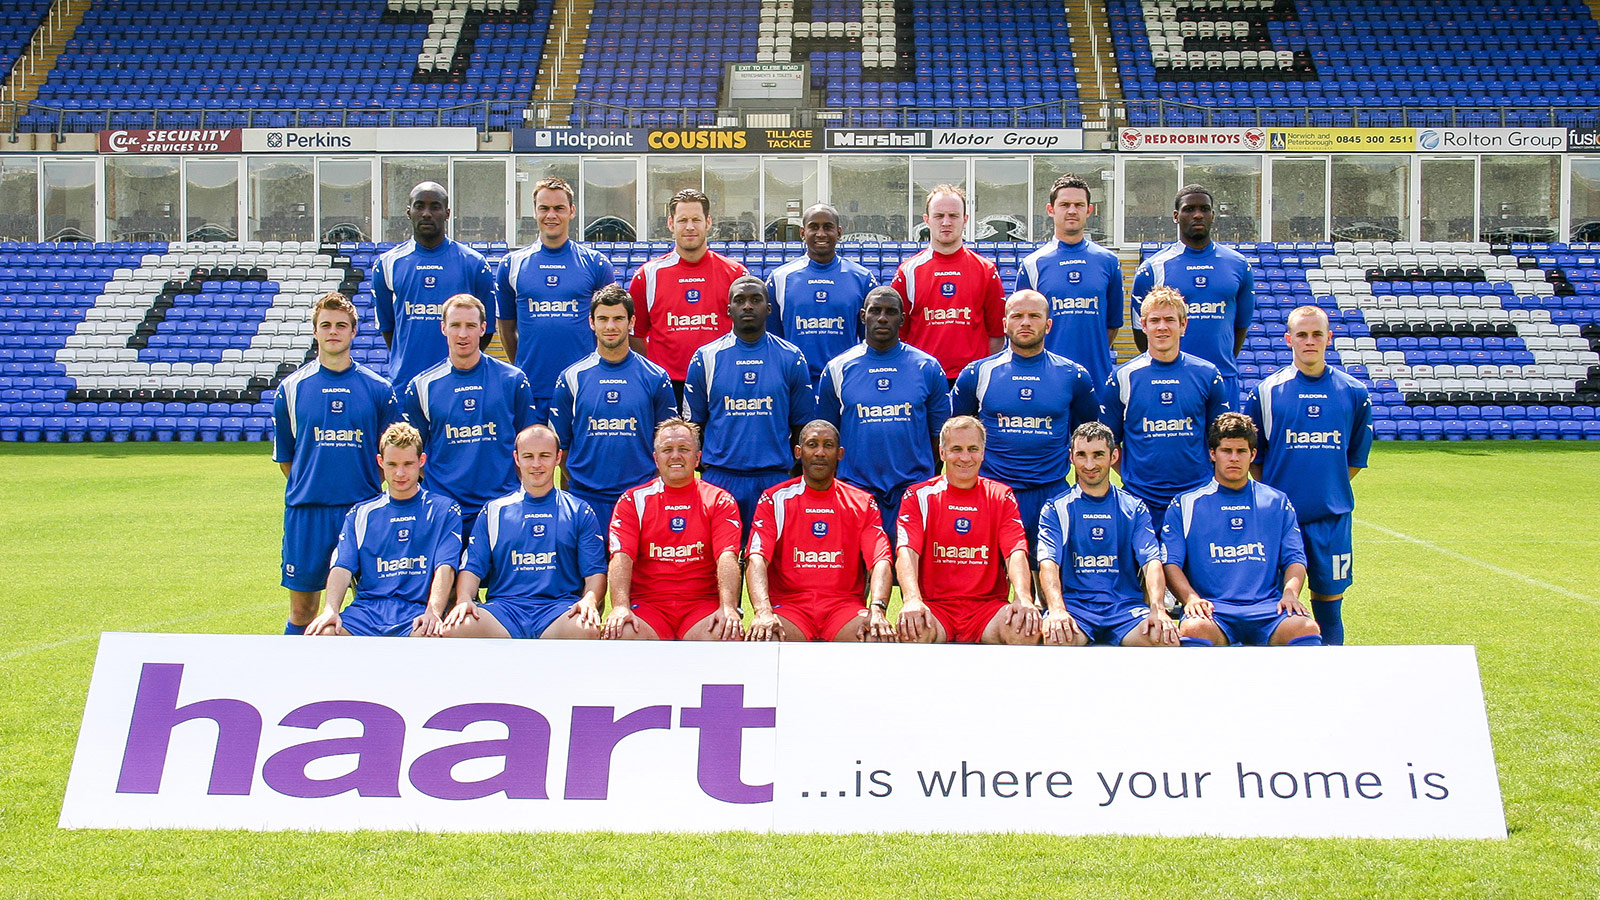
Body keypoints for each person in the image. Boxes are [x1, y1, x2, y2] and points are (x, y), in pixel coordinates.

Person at [1244, 305, 1373, 645]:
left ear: (1330, 338)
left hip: (1331, 519)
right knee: (1270, 608)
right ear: (1289, 340)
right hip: (1277, 523)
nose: (1310, 341)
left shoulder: (1354, 392)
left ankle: (1333, 681)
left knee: (1329, 607)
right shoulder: (1266, 392)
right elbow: (1254, 459)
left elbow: (1354, 459)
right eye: (1302, 334)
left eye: (1317, 334)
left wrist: (1325, 489)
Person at [272, 291, 400, 635]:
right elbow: (288, 461)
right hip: (308, 513)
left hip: (362, 512)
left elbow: (388, 458)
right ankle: (298, 681)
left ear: (354, 331)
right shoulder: (291, 389)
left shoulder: (379, 389)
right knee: (303, 610)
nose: (333, 331)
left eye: (341, 325)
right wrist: (317, 485)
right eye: (325, 325)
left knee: (374, 607)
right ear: (315, 331)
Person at [950, 289, 1100, 558]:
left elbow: (1087, 439)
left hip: (1051, 492)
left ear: (1048, 324)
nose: (1026, 322)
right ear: (1004, 324)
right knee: (988, 580)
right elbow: (954, 437)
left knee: (1050, 578)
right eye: (1017, 316)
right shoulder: (977, 373)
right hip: (994, 492)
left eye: (1034, 316)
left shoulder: (1073, 375)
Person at [1162, 412, 1322, 647]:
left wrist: (1290, 593)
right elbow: (1171, 563)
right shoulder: (1185, 504)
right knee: (1194, 627)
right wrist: (1190, 598)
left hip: (1268, 610)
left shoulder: (1276, 501)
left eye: (1241, 451)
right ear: (1213, 454)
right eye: (1227, 451)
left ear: (1253, 454)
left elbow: (1295, 558)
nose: (1234, 458)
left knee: (1305, 627)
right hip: (1213, 611)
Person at [443, 425, 607, 639]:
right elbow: (472, 568)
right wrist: (464, 598)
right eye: (528, 456)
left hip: (558, 610)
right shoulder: (494, 511)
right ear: (517, 458)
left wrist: (589, 600)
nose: (536, 464)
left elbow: (595, 572)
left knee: (586, 628)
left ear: (558, 458)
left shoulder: (579, 510)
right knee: (457, 627)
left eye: (544, 456)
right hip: (504, 611)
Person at [684, 275, 816, 540]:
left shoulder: (791, 357)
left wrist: (790, 471)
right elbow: (693, 425)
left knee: (774, 567)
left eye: (756, 300)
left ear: (768, 308)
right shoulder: (705, 357)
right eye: (740, 300)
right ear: (728, 308)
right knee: (719, 566)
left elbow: (802, 425)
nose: (747, 306)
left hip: (774, 479)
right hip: (720, 479)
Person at [815, 285, 951, 540]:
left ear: (902, 318)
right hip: (856, 490)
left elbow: (938, 438)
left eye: (890, 312)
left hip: (912, 490)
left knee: (913, 573)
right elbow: (827, 436)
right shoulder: (837, 368)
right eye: (875, 311)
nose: (882, 317)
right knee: (858, 574)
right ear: (863, 315)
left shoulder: (927, 367)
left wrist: (920, 477)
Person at [305, 423, 462, 637]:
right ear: (380, 462)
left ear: (421, 461)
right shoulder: (361, 513)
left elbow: (446, 567)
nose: (400, 473)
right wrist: (330, 610)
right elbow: (342, 566)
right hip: (366, 614)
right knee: (324, 634)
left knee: (428, 638)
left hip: (415, 613)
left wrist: (433, 612)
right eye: (392, 464)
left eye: (408, 464)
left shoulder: (445, 510)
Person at [894, 416, 1041, 645]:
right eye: (956, 449)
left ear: (983, 453)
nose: (965, 457)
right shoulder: (918, 496)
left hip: (987, 610)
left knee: (1024, 630)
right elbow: (907, 552)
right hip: (937, 608)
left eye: (972, 449)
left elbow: (1015, 551)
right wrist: (912, 599)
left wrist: (1023, 597)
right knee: (914, 631)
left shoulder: (1001, 496)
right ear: (942, 453)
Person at [745, 420, 896, 642]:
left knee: (877, 637)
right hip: (790, 608)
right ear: (798, 452)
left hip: (843, 609)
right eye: (812, 444)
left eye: (828, 445)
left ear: (840, 453)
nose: (820, 452)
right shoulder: (774, 498)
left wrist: (878, 609)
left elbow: (880, 560)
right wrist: (763, 611)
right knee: (765, 636)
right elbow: (756, 559)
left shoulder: (862, 502)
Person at [402, 294, 538, 539]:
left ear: (483, 328)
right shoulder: (421, 386)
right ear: (443, 328)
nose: (462, 334)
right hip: (444, 511)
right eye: (455, 325)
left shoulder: (512, 380)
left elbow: (527, 447)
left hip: (501, 508)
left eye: (470, 326)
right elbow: (415, 455)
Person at [1100, 286, 1231, 537]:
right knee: (1144, 574)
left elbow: (1220, 441)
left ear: (1183, 325)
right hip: (1141, 499)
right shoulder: (1123, 377)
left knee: (1193, 574)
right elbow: (1110, 444)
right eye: (1155, 320)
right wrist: (1135, 475)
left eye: (1170, 320)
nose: (1162, 327)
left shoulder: (1207, 374)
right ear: (1143, 325)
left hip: (1196, 496)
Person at [1035, 422, 1177, 647]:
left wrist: (1157, 609)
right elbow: (1048, 564)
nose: (1089, 464)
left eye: (1098, 455)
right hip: (1076, 609)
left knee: (1164, 639)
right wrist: (1057, 609)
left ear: (1114, 456)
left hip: (1125, 610)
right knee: (1057, 638)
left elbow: (1151, 562)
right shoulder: (1055, 508)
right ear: (1071, 457)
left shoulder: (1134, 507)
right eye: (1082, 455)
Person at [548, 284, 680, 523]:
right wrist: (581, 481)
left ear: (631, 322)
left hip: (640, 497)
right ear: (591, 322)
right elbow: (560, 447)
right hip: (585, 498)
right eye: (603, 319)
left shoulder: (655, 377)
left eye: (618, 318)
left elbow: (667, 443)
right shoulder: (571, 377)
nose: (610, 326)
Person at [603, 418, 744, 641]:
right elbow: (621, 556)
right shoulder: (632, 500)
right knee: (622, 632)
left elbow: (727, 556)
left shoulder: (719, 499)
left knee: (726, 632)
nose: (675, 456)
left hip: (700, 606)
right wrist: (620, 606)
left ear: (698, 458)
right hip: (649, 606)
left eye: (684, 449)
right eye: (667, 449)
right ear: (656, 459)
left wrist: (728, 607)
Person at [495, 176, 617, 422]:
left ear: (572, 211)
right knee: (534, 460)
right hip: (532, 388)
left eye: (559, 208)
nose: (551, 215)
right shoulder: (512, 264)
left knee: (579, 460)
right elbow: (507, 328)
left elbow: (610, 325)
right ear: (535, 212)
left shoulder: (595, 264)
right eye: (544, 208)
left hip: (583, 386)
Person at [1130, 183, 1255, 405]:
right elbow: (1142, 332)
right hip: (1172, 379)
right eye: (1189, 209)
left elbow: (1241, 326)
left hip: (1224, 378)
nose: (1198, 215)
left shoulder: (1238, 265)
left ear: (1213, 215)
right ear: (1176, 216)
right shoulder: (1153, 268)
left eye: (1204, 209)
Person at [628, 187, 751, 407]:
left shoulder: (736, 275)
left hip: (721, 383)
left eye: (696, 219)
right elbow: (636, 335)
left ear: (709, 223)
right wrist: (658, 368)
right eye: (683, 220)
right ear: (670, 224)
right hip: (666, 387)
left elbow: (747, 332)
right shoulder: (647, 276)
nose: (690, 227)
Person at [372, 181, 498, 390]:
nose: (427, 213)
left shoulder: (473, 263)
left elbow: (487, 330)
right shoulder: (387, 264)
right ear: (408, 211)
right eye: (419, 206)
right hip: (406, 385)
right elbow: (388, 328)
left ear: (447, 213)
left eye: (435, 207)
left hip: (457, 385)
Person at [1014, 173, 1124, 388]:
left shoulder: (1108, 261)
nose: (1072, 210)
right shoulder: (1032, 264)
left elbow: (1111, 325)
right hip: (1047, 379)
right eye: (1064, 204)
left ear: (1089, 210)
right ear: (1051, 210)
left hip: (1096, 377)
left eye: (1078, 205)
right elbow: (1021, 325)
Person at [891, 184, 1006, 383]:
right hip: (923, 378)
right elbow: (898, 334)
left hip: (971, 381)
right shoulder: (908, 271)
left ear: (965, 220)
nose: (946, 222)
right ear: (926, 220)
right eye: (939, 216)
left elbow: (996, 334)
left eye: (953, 216)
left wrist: (979, 373)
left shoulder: (986, 270)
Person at [766, 203, 879, 382]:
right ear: (803, 233)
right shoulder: (780, 278)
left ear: (839, 232)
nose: (821, 233)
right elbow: (772, 338)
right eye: (813, 227)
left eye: (828, 227)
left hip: (845, 381)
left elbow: (870, 339)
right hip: (796, 384)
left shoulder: (862, 278)